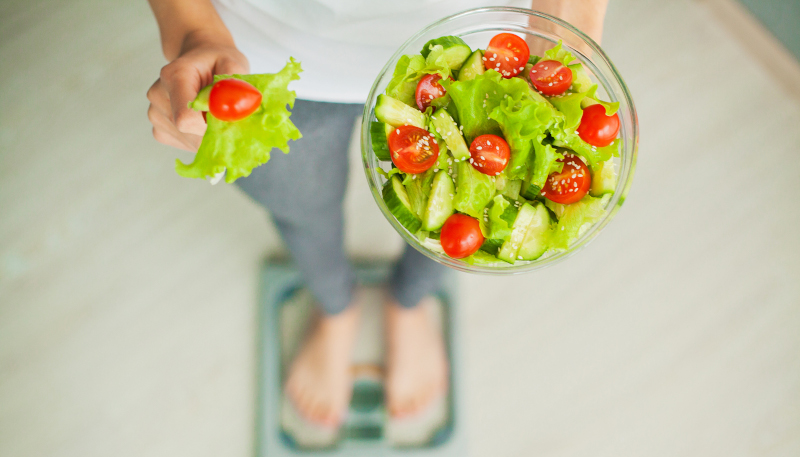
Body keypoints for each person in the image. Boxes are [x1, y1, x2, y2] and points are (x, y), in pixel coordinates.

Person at [146, 0, 609, 427]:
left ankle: (409, 303)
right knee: (299, 206)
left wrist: (565, 34)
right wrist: (191, 29)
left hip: (479, 45)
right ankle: (336, 306)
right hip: (260, 46)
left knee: (463, 220)